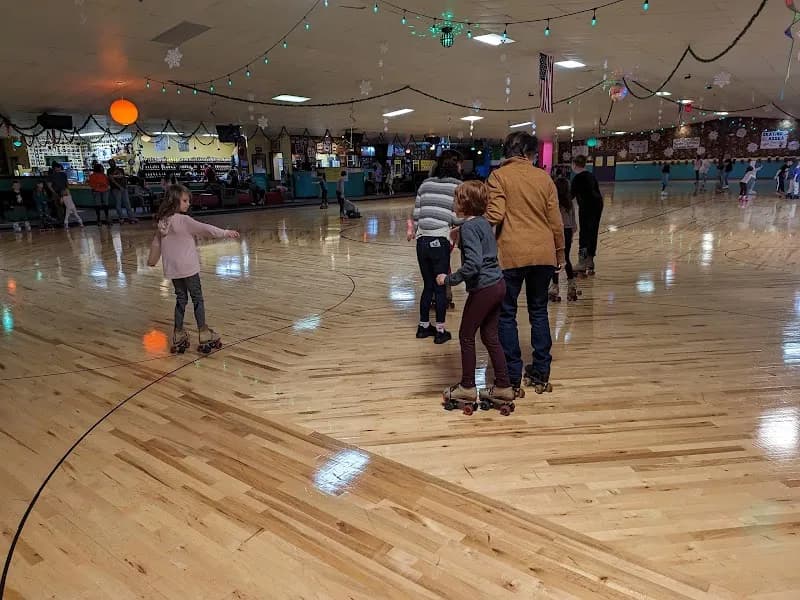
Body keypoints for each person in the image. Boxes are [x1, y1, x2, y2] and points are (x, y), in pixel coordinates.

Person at [486, 132, 565, 393]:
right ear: (529, 153)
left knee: (507, 314)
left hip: (510, 254)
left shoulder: (498, 177)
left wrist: (470, 231)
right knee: (539, 311)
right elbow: (556, 222)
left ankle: (512, 374)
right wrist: (560, 254)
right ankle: (541, 372)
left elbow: (495, 215)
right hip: (543, 254)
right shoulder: (544, 178)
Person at [436, 181, 514, 412]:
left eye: (457, 199)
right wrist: (459, 238)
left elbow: (473, 264)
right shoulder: (481, 223)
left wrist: (447, 279)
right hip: (498, 284)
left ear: (465, 203)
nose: (453, 202)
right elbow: (483, 250)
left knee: (466, 335)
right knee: (490, 335)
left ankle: (468, 387)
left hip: (484, 288)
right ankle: (503, 386)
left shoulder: (469, 228)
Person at [150, 184, 239, 353]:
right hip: (189, 268)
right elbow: (206, 229)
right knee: (197, 298)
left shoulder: (163, 222)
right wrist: (226, 232)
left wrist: (152, 261)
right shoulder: (184, 221)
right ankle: (204, 333)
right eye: (184, 200)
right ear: (174, 201)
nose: (188, 203)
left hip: (174, 270)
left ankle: (178, 334)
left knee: (180, 299)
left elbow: (156, 243)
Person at [408, 149, 463, 344]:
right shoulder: (458, 186)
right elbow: (455, 217)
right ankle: (440, 331)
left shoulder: (425, 184)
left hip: (422, 241)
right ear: (456, 166)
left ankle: (423, 327)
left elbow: (416, 216)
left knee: (428, 286)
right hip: (439, 240)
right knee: (441, 287)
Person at [570, 154, 603, 276]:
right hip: (598, 206)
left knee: (584, 234)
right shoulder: (591, 176)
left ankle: (582, 262)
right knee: (593, 233)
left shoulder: (578, 178)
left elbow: (570, 196)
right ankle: (590, 261)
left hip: (587, 207)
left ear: (574, 164)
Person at [549, 177, 580, 302]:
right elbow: (574, 224)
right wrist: (571, 235)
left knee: (556, 259)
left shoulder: (554, 203)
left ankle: (555, 287)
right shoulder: (569, 203)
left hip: (558, 231)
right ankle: (572, 285)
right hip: (567, 231)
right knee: (565, 258)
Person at [108, 159, 137, 223]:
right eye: (110, 163)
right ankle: (121, 218)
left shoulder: (120, 169)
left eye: (112, 162)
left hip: (123, 188)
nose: (112, 164)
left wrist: (125, 186)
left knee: (127, 203)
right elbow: (112, 180)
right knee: (119, 203)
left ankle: (131, 218)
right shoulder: (109, 170)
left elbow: (123, 178)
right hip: (116, 189)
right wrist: (120, 186)